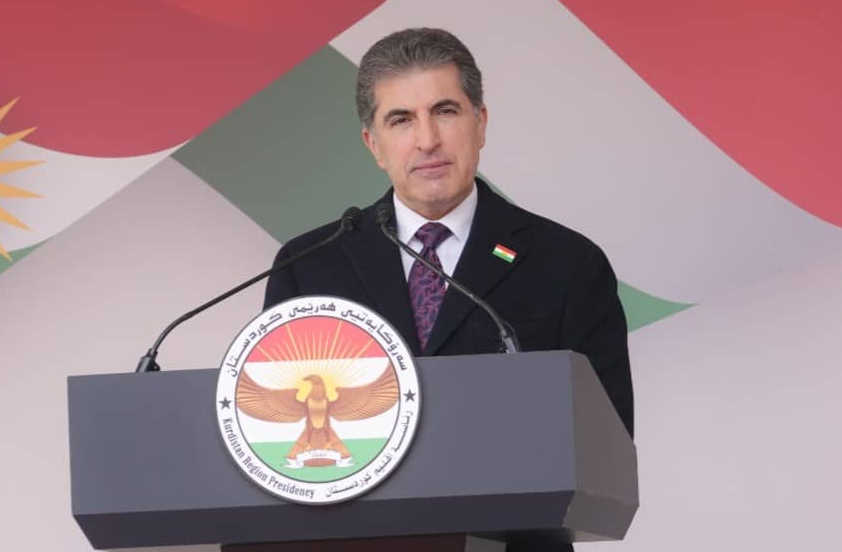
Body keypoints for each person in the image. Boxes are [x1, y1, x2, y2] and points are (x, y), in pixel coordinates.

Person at [264, 27, 633, 438]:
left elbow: (606, 444)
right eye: (401, 120)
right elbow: (279, 432)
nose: (427, 140)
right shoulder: (308, 267)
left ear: (481, 123)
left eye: (445, 111)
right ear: (374, 145)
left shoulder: (568, 265)